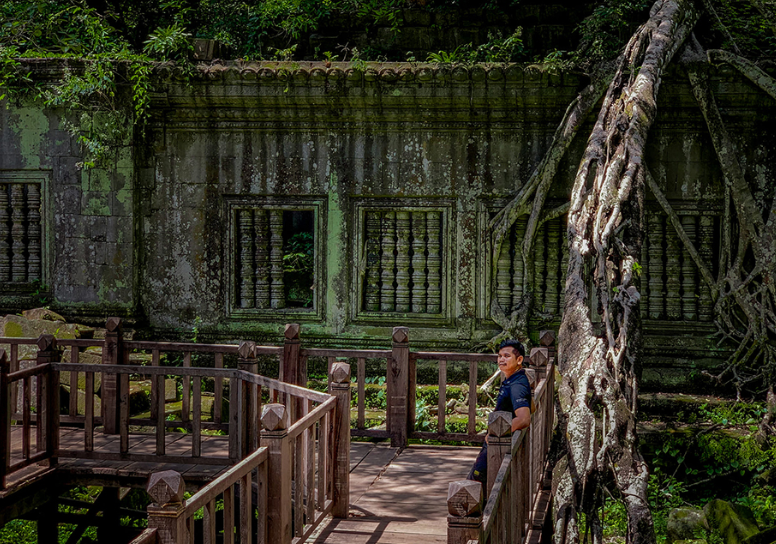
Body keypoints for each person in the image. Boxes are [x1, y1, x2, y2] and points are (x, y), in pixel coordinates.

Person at [467, 338, 532, 487]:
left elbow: (524, 418)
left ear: (519, 359)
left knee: (476, 483)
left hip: (499, 443)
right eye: (500, 356)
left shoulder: (517, 385)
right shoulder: (515, 378)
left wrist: (498, 432)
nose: (502, 359)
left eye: (507, 356)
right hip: (498, 442)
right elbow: (532, 406)